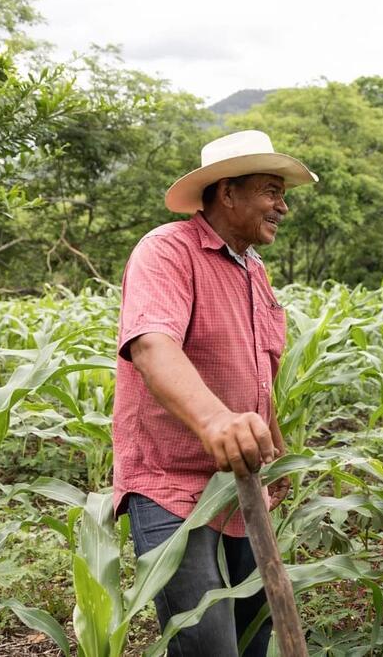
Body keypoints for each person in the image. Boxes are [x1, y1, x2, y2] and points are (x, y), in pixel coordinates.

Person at [111, 129, 317, 655]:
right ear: (227, 192)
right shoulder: (166, 251)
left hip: (243, 484)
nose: (283, 207)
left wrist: (271, 446)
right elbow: (153, 345)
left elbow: (258, 371)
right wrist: (214, 422)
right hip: (173, 486)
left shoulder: (255, 269)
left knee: (255, 635)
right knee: (208, 644)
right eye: (271, 191)